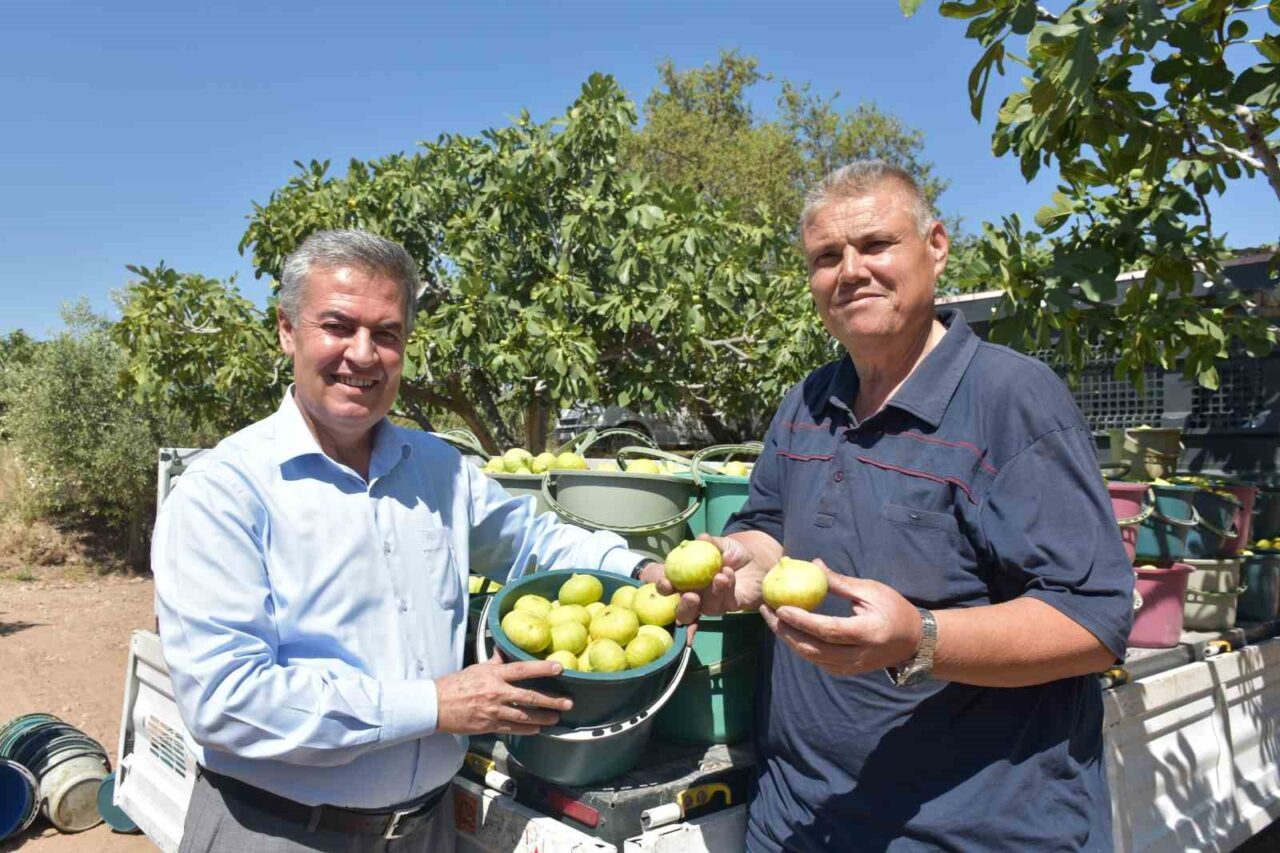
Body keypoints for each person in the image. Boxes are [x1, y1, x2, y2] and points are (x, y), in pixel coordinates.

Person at [660, 161, 1134, 851]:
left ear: (935, 246)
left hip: (967, 832)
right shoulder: (811, 400)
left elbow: (1094, 619)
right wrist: (739, 567)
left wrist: (922, 641)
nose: (850, 271)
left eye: (875, 244)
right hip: (797, 820)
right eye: (827, 257)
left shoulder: (1011, 401)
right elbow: (766, 527)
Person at [152, 229, 656, 852]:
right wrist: (434, 705)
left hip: (425, 829)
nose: (363, 355)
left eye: (386, 334)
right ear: (287, 330)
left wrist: (643, 571)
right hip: (279, 832)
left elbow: (535, 543)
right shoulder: (223, 492)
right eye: (338, 325)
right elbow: (226, 700)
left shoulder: (438, 470)